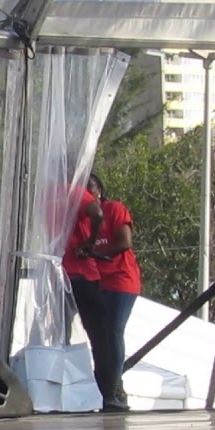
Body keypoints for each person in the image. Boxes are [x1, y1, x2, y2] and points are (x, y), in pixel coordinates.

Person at [62, 180, 119, 410]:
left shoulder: (45, 194)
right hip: (82, 274)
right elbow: (97, 213)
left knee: (61, 336)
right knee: (102, 338)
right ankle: (106, 395)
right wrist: (90, 242)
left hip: (59, 275)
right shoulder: (74, 192)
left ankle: (64, 391)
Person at [88, 172, 136, 411]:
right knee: (101, 336)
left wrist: (95, 253)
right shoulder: (83, 217)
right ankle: (106, 386)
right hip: (97, 281)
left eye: (90, 188)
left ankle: (113, 387)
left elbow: (125, 241)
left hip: (120, 279)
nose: (87, 194)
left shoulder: (114, 209)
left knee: (114, 330)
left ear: (99, 191)